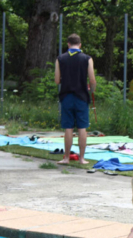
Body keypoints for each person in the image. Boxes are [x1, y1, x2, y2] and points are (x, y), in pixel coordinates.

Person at [55, 34, 97, 165]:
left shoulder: (60, 59)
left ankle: (66, 158)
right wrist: (92, 90)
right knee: (82, 127)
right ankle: (82, 159)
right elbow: (92, 80)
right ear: (80, 45)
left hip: (66, 96)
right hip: (81, 97)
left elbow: (57, 81)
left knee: (68, 128)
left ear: (68, 44)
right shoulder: (87, 59)